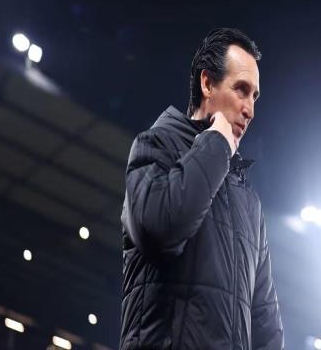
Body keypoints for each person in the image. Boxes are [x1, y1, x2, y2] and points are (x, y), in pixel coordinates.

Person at [120, 28, 284, 349]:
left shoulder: (248, 201)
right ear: (207, 83)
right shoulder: (155, 146)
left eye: (254, 96)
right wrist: (217, 142)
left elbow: (265, 325)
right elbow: (160, 228)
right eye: (241, 90)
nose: (250, 110)